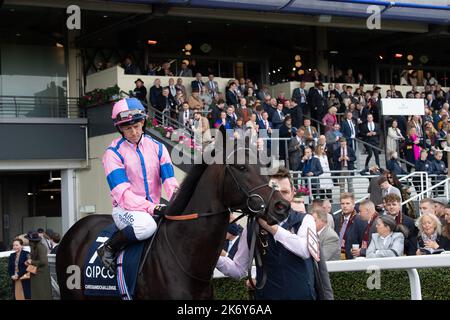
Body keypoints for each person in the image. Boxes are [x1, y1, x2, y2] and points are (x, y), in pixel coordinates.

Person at [216, 167, 332, 300]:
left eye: (285, 192)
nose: (280, 197)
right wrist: (213, 258)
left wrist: (273, 228)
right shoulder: (252, 226)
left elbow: (304, 250)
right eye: (275, 192)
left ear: (293, 193)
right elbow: (238, 269)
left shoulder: (305, 220)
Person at [98, 98, 179, 273]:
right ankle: (109, 248)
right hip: (126, 211)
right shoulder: (112, 154)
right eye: (128, 128)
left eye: (136, 126)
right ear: (120, 128)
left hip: (154, 208)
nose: (134, 132)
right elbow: (124, 195)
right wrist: (154, 208)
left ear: (143, 122)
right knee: (147, 226)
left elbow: (170, 182)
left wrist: (178, 200)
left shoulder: (158, 148)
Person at [24, 231, 52, 300]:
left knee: (41, 293)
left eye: (29, 240)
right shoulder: (35, 246)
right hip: (36, 272)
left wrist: (31, 261)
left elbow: (43, 261)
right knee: (37, 293)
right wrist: (29, 258)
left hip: (41, 273)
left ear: (32, 241)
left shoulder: (40, 247)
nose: (28, 242)